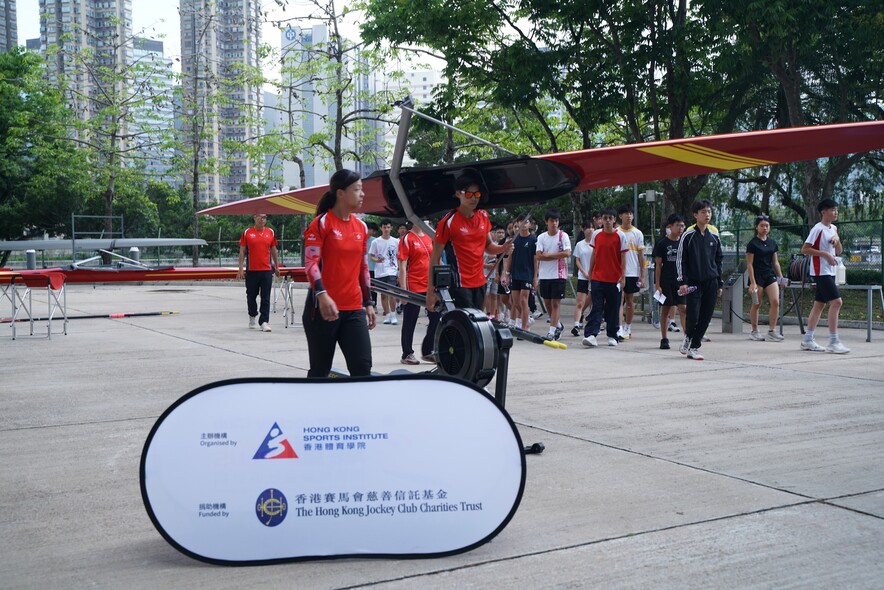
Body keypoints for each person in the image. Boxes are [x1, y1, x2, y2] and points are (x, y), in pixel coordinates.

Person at [302, 169, 376, 377]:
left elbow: (362, 267)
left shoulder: (361, 227)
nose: (362, 194)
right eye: (357, 189)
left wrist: (368, 303)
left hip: (354, 309)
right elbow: (310, 263)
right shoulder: (321, 223)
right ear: (341, 193)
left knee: (362, 368)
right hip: (322, 310)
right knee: (320, 371)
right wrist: (322, 295)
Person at [426, 170, 513, 312]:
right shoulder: (448, 222)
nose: (473, 199)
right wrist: (431, 292)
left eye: (477, 194)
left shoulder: (483, 216)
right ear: (458, 194)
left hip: (480, 282)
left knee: (477, 323)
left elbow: (489, 247)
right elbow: (435, 258)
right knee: (465, 326)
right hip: (459, 284)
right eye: (469, 194)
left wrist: (503, 248)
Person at [800, 199, 849, 354]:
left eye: (836, 210)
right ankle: (834, 341)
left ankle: (808, 339)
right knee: (836, 302)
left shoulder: (833, 228)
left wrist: (837, 240)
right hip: (820, 271)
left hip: (830, 271)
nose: (835, 213)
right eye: (833, 210)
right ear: (823, 212)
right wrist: (824, 254)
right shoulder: (817, 229)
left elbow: (839, 251)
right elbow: (805, 249)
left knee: (819, 305)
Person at [676, 200, 723, 360]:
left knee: (706, 316)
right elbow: (681, 259)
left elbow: (719, 260)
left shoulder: (715, 236)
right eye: (703, 212)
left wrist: (720, 283)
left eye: (709, 212)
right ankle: (689, 336)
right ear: (696, 215)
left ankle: (694, 346)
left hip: (711, 281)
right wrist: (682, 281)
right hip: (693, 282)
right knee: (693, 315)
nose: (707, 215)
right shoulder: (688, 236)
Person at [582, 208, 627, 348]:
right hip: (598, 277)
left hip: (614, 279)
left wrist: (623, 276)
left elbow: (623, 257)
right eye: (605, 218)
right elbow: (594, 254)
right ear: (601, 220)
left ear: (614, 220)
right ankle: (591, 334)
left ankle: (613, 335)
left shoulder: (621, 236)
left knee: (613, 308)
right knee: (597, 306)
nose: (607, 221)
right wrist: (590, 272)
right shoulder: (596, 235)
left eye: (610, 218)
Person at [397, 222, 441, 365]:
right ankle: (407, 353)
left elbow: (436, 259)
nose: (426, 222)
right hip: (413, 285)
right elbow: (402, 267)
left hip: (429, 286)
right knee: (410, 320)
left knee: (436, 316)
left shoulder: (430, 237)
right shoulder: (407, 238)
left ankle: (428, 350)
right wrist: (403, 290)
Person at [236, 213, 280, 332]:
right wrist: (240, 268)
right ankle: (252, 315)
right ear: (254, 218)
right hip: (252, 271)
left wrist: (276, 266)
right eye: (259, 217)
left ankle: (264, 321)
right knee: (251, 295)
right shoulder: (247, 232)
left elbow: (274, 250)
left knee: (265, 297)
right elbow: (242, 251)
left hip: (266, 270)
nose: (262, 219)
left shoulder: (270, 232)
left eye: (264, 217)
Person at [746, 214, 785, 342]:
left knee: (775, 301)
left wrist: (780, 278)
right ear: (757, 227)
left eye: (767, 225)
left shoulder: (772, 243)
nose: (764, 228)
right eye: (762, 225)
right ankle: (754, 330)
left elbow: (775, 262)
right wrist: (753, 282)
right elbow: (749, 264)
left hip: (769, 275)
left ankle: (772, 330)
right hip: (757, 277)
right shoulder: (752, 244)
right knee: (757, 303)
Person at [533, 210, 571, 341]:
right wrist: (552, 256)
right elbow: (538, 255)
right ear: (546, 222)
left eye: (556, 221)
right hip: (545, 275)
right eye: (551, 221)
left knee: (555, 303)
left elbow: (566, 253)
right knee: (547, 303)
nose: (554, 223)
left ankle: (551, 331)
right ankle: (558, 324)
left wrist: (548, 255)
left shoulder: (563, 236)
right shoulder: (541, 237)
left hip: (559, 274)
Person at [653, 214, 687, 349]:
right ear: (670, 227)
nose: (680, 228)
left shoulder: (684, 243)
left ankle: (687, 337)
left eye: (682, 225)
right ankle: (664, 338)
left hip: (681, 281)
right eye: (677, 225)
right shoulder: (662, 243)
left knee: (683, 308)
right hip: (666, 281)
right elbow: (658, 266)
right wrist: (657, 284)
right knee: (666, 309)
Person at [616, 204, 645, 340]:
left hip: (632, 272)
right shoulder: (616, 232)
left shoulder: (637, 233)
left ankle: (628, 326)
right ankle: (619, 327)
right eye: (626, 213)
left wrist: (642, 275)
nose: (628, 216)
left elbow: (641, 256)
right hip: (618, 273)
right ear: (620, 216)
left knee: (629, 299)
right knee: (619, 299)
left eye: (630, 214)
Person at [502, 213, 536, 329]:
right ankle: (527, 319)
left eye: (525, 222)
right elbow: (509, 258)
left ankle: (524, 327)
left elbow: (536, 260)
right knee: (515, 302)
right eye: (520, 222)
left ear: (530, 224)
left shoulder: (533, 240)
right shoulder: (514, 240)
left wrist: (535, 276)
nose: (523, 224)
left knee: (523, 300)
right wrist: (506, 274)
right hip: (515, 274)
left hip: (527, 274)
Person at [368, 219, 400, 325]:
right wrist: (377, 260)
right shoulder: (375, 242)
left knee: (391, 292)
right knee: (383, 295)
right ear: (381, 228)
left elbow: (399, 256)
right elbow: (371, 256)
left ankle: (393, 314)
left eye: (388, 227)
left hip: (392, 270)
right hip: (380, 271)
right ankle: (387, 315)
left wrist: (399, 270)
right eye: (384, 227)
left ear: (391, 228)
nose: (386, 229)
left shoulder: (396, 241)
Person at [571, 221, 594, 336]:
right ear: (583, 230)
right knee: (580, 302)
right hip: (583, 277)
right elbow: (577, 261)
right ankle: (576, 324)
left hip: (594, 277)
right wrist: (585, 272)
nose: (590, 230)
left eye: (592, 227)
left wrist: (592, 273)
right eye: (588, 228)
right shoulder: (580, 244)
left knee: (592, 301)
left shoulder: (597, 244)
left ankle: (592, 322)